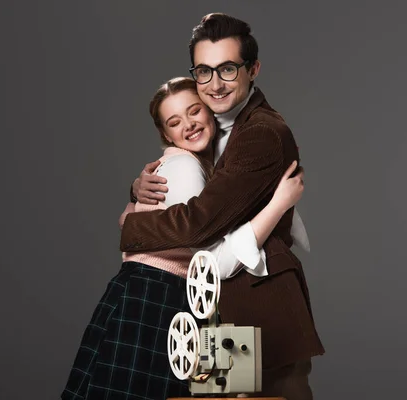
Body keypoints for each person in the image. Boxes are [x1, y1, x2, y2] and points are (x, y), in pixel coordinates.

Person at [61, 77, 304, 400]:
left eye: (194, 112)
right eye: (175, 122)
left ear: (211, 112)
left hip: (145, 291)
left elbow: (130, 220)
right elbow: (210, 253)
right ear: (165, 134)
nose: (189, 125)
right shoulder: (186, 166)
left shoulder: (195, 164)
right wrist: (278, 205)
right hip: (157, 294)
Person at [123, 13, 325, 400]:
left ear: (253, 70)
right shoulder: (209, 125)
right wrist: (136, 190)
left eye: (228, 69)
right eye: (204, 71)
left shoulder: (260, 133)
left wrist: (130, 227)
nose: (214, 85)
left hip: (259, 313)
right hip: (216, 319)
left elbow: (200, 222)